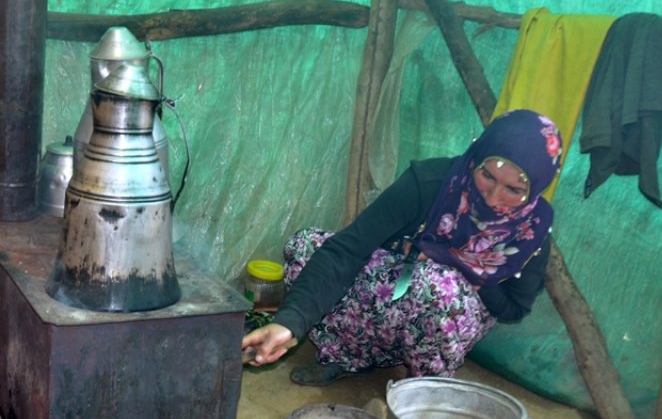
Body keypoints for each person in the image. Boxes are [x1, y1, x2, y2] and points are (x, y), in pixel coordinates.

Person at [241, 109, 564, 385]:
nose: (494, 197)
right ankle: (345, 356)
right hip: (395, 281)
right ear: (476, 159)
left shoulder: (530, 233)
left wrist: (467, 272)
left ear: (536, 187)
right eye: (487, 176)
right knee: (306, 246)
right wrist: (289, 323)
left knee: (436, 288)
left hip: (451, 310)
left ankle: (422, 393)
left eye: (513, 189)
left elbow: (513, 309)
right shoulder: (430, 182)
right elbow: (349, 248)